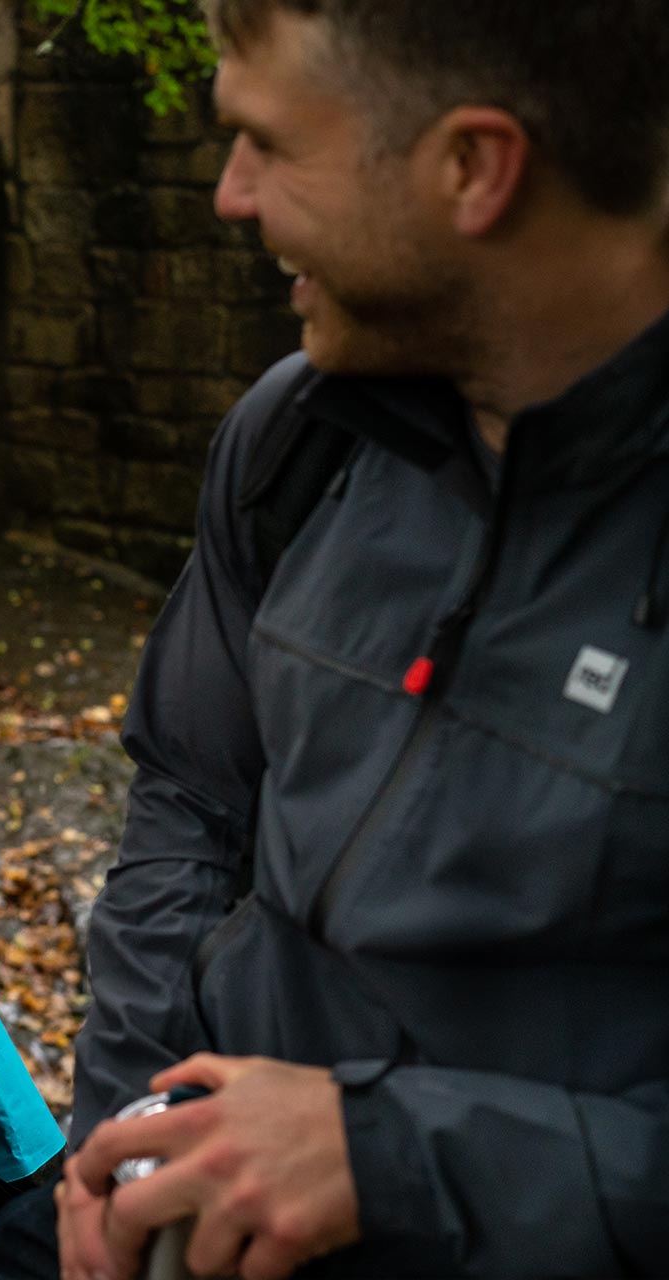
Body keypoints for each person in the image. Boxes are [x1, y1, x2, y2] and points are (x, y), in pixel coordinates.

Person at [53, 1, 669, 1277]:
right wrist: (118, 1143)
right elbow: (188, 799)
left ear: (471, 166)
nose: (228, 194)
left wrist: (388, 1157)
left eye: (268, 144)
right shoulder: (297, 440)